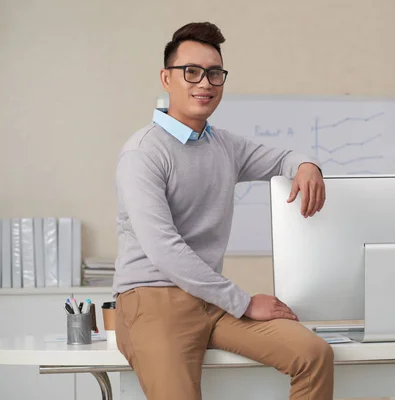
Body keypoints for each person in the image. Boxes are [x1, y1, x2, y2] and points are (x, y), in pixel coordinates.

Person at [113, 21, 334, 400]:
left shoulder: (224, 146)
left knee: (313, 354)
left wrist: (306, 166)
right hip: (153, 299)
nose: (205, 83)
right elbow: (164, 249)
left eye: (215, 73)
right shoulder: (143, 152)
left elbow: (283, 157)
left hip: (209, 299)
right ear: (166, 78)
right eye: (191, 72)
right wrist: (244, 301)